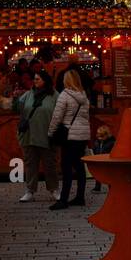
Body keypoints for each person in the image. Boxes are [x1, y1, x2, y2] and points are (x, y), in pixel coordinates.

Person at [48, 68, 92, 210]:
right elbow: (86, 117)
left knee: (66, 167)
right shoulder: (84, 96)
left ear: (66, 81)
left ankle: (63, 200)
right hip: (83, 135)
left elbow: (56, 117)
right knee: (79, 167)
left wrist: (51, 133)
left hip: (70, 135)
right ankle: (80, 197)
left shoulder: (64, 95)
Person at [16, 69, 59, 203]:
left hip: (47, 135)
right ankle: (30, 190)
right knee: (30, 164)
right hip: (30, 135)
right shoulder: (29, 95)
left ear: (45, 80)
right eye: (34, 79)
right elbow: (18, 107)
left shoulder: (54, 95)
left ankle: (54, 189)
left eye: (37, 79)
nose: (34, 81)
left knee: (50, 164)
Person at [90, 124, 115, 191]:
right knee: (98, 174)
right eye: (98, 136)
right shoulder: (97, 142)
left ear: (107, 135)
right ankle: (97, 187)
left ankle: (111, 187)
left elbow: (113, 151)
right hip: (99, 159)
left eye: (102, 136)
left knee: (109, 175)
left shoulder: (112, 142)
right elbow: (94, 149)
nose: (99, 138)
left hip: (108, 161)